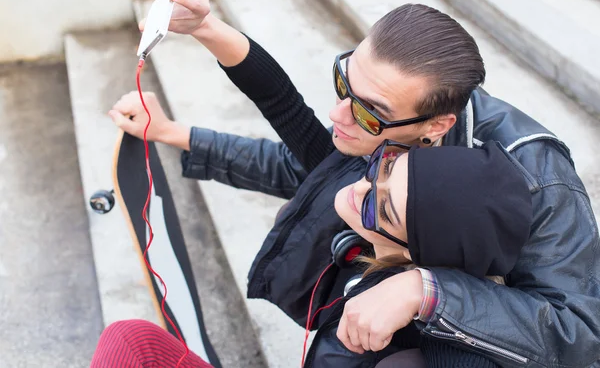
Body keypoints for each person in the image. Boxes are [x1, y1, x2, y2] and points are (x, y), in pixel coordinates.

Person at [109, 0, 600, 366]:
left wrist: (428, 292)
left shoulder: (537, 178)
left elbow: (579, 334)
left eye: (366, 109)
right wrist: (177, 127)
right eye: (343, 79)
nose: (338, 114)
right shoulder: (387, 112)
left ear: (436, 126)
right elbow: (310, 159)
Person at [91, 140, 533, 368]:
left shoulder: (416, 353)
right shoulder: (370, 251)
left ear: (417, 251)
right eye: (385, 168)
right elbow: (291, 126)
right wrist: (174, 133)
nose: (360, 186)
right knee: (131, 340)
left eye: (381, 207)